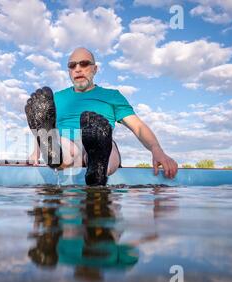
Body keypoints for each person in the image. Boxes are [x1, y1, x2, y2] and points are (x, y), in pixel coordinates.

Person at [25, 47, 178, 186]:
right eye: (72, 65)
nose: (78, 69)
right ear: (69, 71)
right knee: (64, 145)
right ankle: (65, 160)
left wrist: (156, 149)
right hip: (66, 143)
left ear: (95, 69)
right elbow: (45, 123)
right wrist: (36, 153)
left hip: (101, 142)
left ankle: (97, 168)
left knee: (104, 146)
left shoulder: (112, 96)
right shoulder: (56, 98)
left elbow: (137, 127)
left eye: (84, 64)